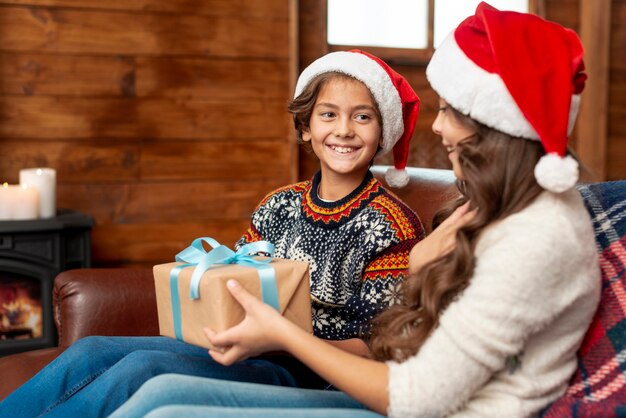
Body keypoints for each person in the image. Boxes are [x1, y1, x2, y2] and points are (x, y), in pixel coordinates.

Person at [108, 3, 602, 417]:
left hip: (418, 404)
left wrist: (281, 332)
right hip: (393, 383)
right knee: (157, 391)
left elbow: (416, 395)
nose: (436, 128)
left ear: (490, 125)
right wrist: (423, 265)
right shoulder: (495, 207)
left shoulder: (539, 238)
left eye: (449, 111)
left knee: (169, 407)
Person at [0, 51, 425, 418]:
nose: (344, 130)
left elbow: (377, 350)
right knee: (91, 351)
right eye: (329, 114)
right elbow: (238, 282)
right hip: (248, 347)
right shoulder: (279, 204)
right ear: (306, 127)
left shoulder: (392, 225)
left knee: (141, 370)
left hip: (313, 373)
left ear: (382, 133)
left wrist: (282, 337)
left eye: (362, 117)